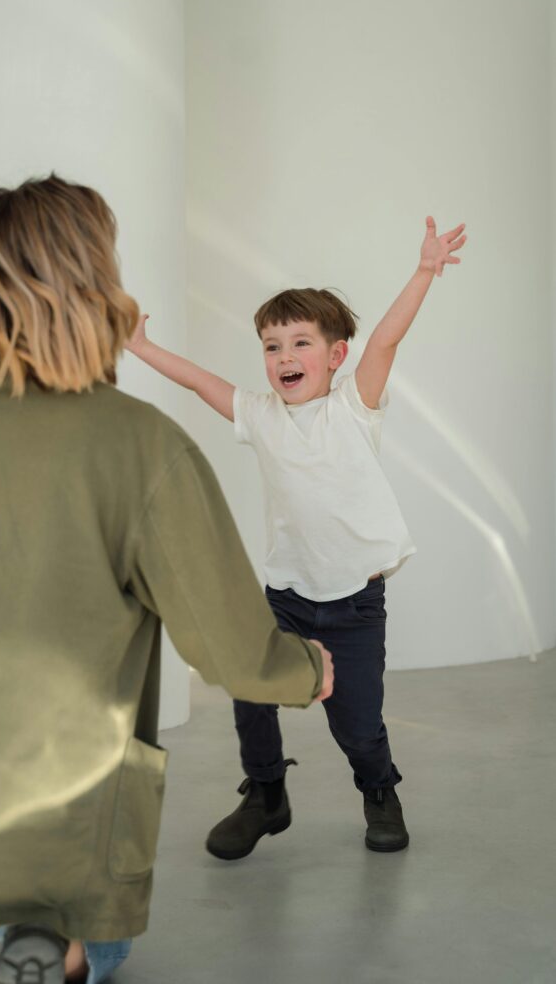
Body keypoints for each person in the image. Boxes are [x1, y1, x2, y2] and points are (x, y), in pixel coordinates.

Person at [0, 175, 334, 984]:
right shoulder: (140, 444)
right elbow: (224, 640)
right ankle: (56, 939)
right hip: (46, 812)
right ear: (97, 288)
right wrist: (302, 669)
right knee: (89, 890)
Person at [126, 216, 466, 860]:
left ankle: (378, 789)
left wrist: (423, 270)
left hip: (353, 603)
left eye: (300, 344)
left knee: (358, 726)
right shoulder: (260, 414)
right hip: (284, 594)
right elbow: (202, 381)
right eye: (271, 346)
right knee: (252, 690)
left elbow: (386, 342)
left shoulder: (352, 408)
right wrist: (141, 348)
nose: (284, 358)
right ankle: (265, 795)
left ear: (335, 355)